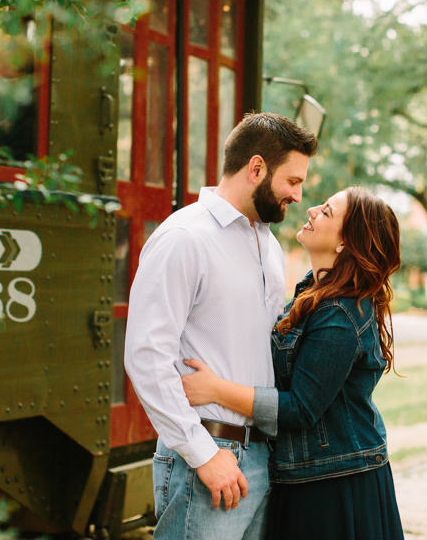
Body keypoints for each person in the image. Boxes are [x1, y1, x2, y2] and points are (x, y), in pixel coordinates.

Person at [124, 113, 318, 540]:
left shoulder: (267, 243)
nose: (298, 194)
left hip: (262, 455)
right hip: (209, 454)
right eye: (292, 180)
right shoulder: (185, 237)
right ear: (256, 168)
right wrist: (202, 453)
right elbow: (146, 355)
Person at [181, 186, 406, 540]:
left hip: (334, 483)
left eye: (327, 212)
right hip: (310, 474)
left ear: (345, 243)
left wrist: (215, 389)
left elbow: (300, 408)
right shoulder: (312, 294)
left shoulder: (338, 314)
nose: (311, 209)